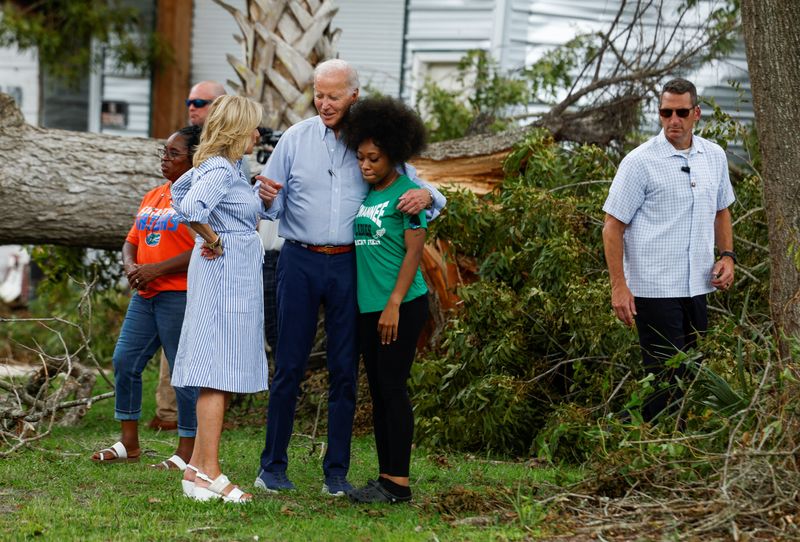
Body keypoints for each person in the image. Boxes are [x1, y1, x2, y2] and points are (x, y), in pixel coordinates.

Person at [254, 58, 446, 497]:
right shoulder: (295, 140)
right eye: (318, 95)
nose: (324, 104)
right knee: (288, 367)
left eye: (333, 96)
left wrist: (430, 194)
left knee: (345, 372)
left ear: (353, 95)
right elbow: (270, 205)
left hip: (349, 266)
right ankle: (272, 468)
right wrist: (263, 199)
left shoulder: (372, 142)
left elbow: (421, 190)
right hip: (298, 260)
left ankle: (335, 473)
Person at [602, 78, 736, 422]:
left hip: (697, 286)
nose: (672, 120)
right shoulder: (639, 161)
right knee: (665, 376)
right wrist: (619, 286)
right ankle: (655, 450)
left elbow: (722, 209)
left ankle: (672, 444)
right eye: (665, 112)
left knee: (692, 373)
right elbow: (612, 227)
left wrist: (727, 256)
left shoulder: (714, 156)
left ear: (696, 113)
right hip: (654, 289)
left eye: (680, 112)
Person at [171, 95, 268, 503]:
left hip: (232, 274)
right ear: (237, 130)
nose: (258, 134)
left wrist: (260, 196)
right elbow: (189, 206)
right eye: (253, 127)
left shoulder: (229, 168)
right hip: (224, 275)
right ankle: (209, 470)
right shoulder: (218, 169)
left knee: (220, 365)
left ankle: (195, 467)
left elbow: (176, 190)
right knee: (218, 368)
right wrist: (211, 237)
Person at [91, 125, 202, 469]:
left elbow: (204, 246)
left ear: (195, 158)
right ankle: (129, 442)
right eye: (163, 153)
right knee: (125, 361)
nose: (165, 160)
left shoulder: (198, 195)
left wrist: (158, 270)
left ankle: (187, 451)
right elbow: (131, 239)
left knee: (181, 373)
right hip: (145, 295)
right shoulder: (154, 194)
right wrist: (130, 266)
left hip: (178, 295)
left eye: (173, 154)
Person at [343, 96, 429, 503]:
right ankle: (385, 478)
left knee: (393, 389)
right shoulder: (369, 192)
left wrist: (394, 302)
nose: (365, 165)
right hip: (369, 306)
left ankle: (399, 483)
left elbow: (415, 251)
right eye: (361, 157)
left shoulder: (409, 194)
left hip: (401, 304)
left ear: (392, 154)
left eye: (373, 159)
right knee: (379, 391)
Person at [149, 80, 228, 432]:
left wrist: (212, 239)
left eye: (202, 102)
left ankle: (198, 415)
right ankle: (169, 413)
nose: (193, 107)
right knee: (175, 343)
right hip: (181, 266)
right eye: (189, 101)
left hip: (217, 261)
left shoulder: (225, 157)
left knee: (204, 341)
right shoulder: (183, 143)